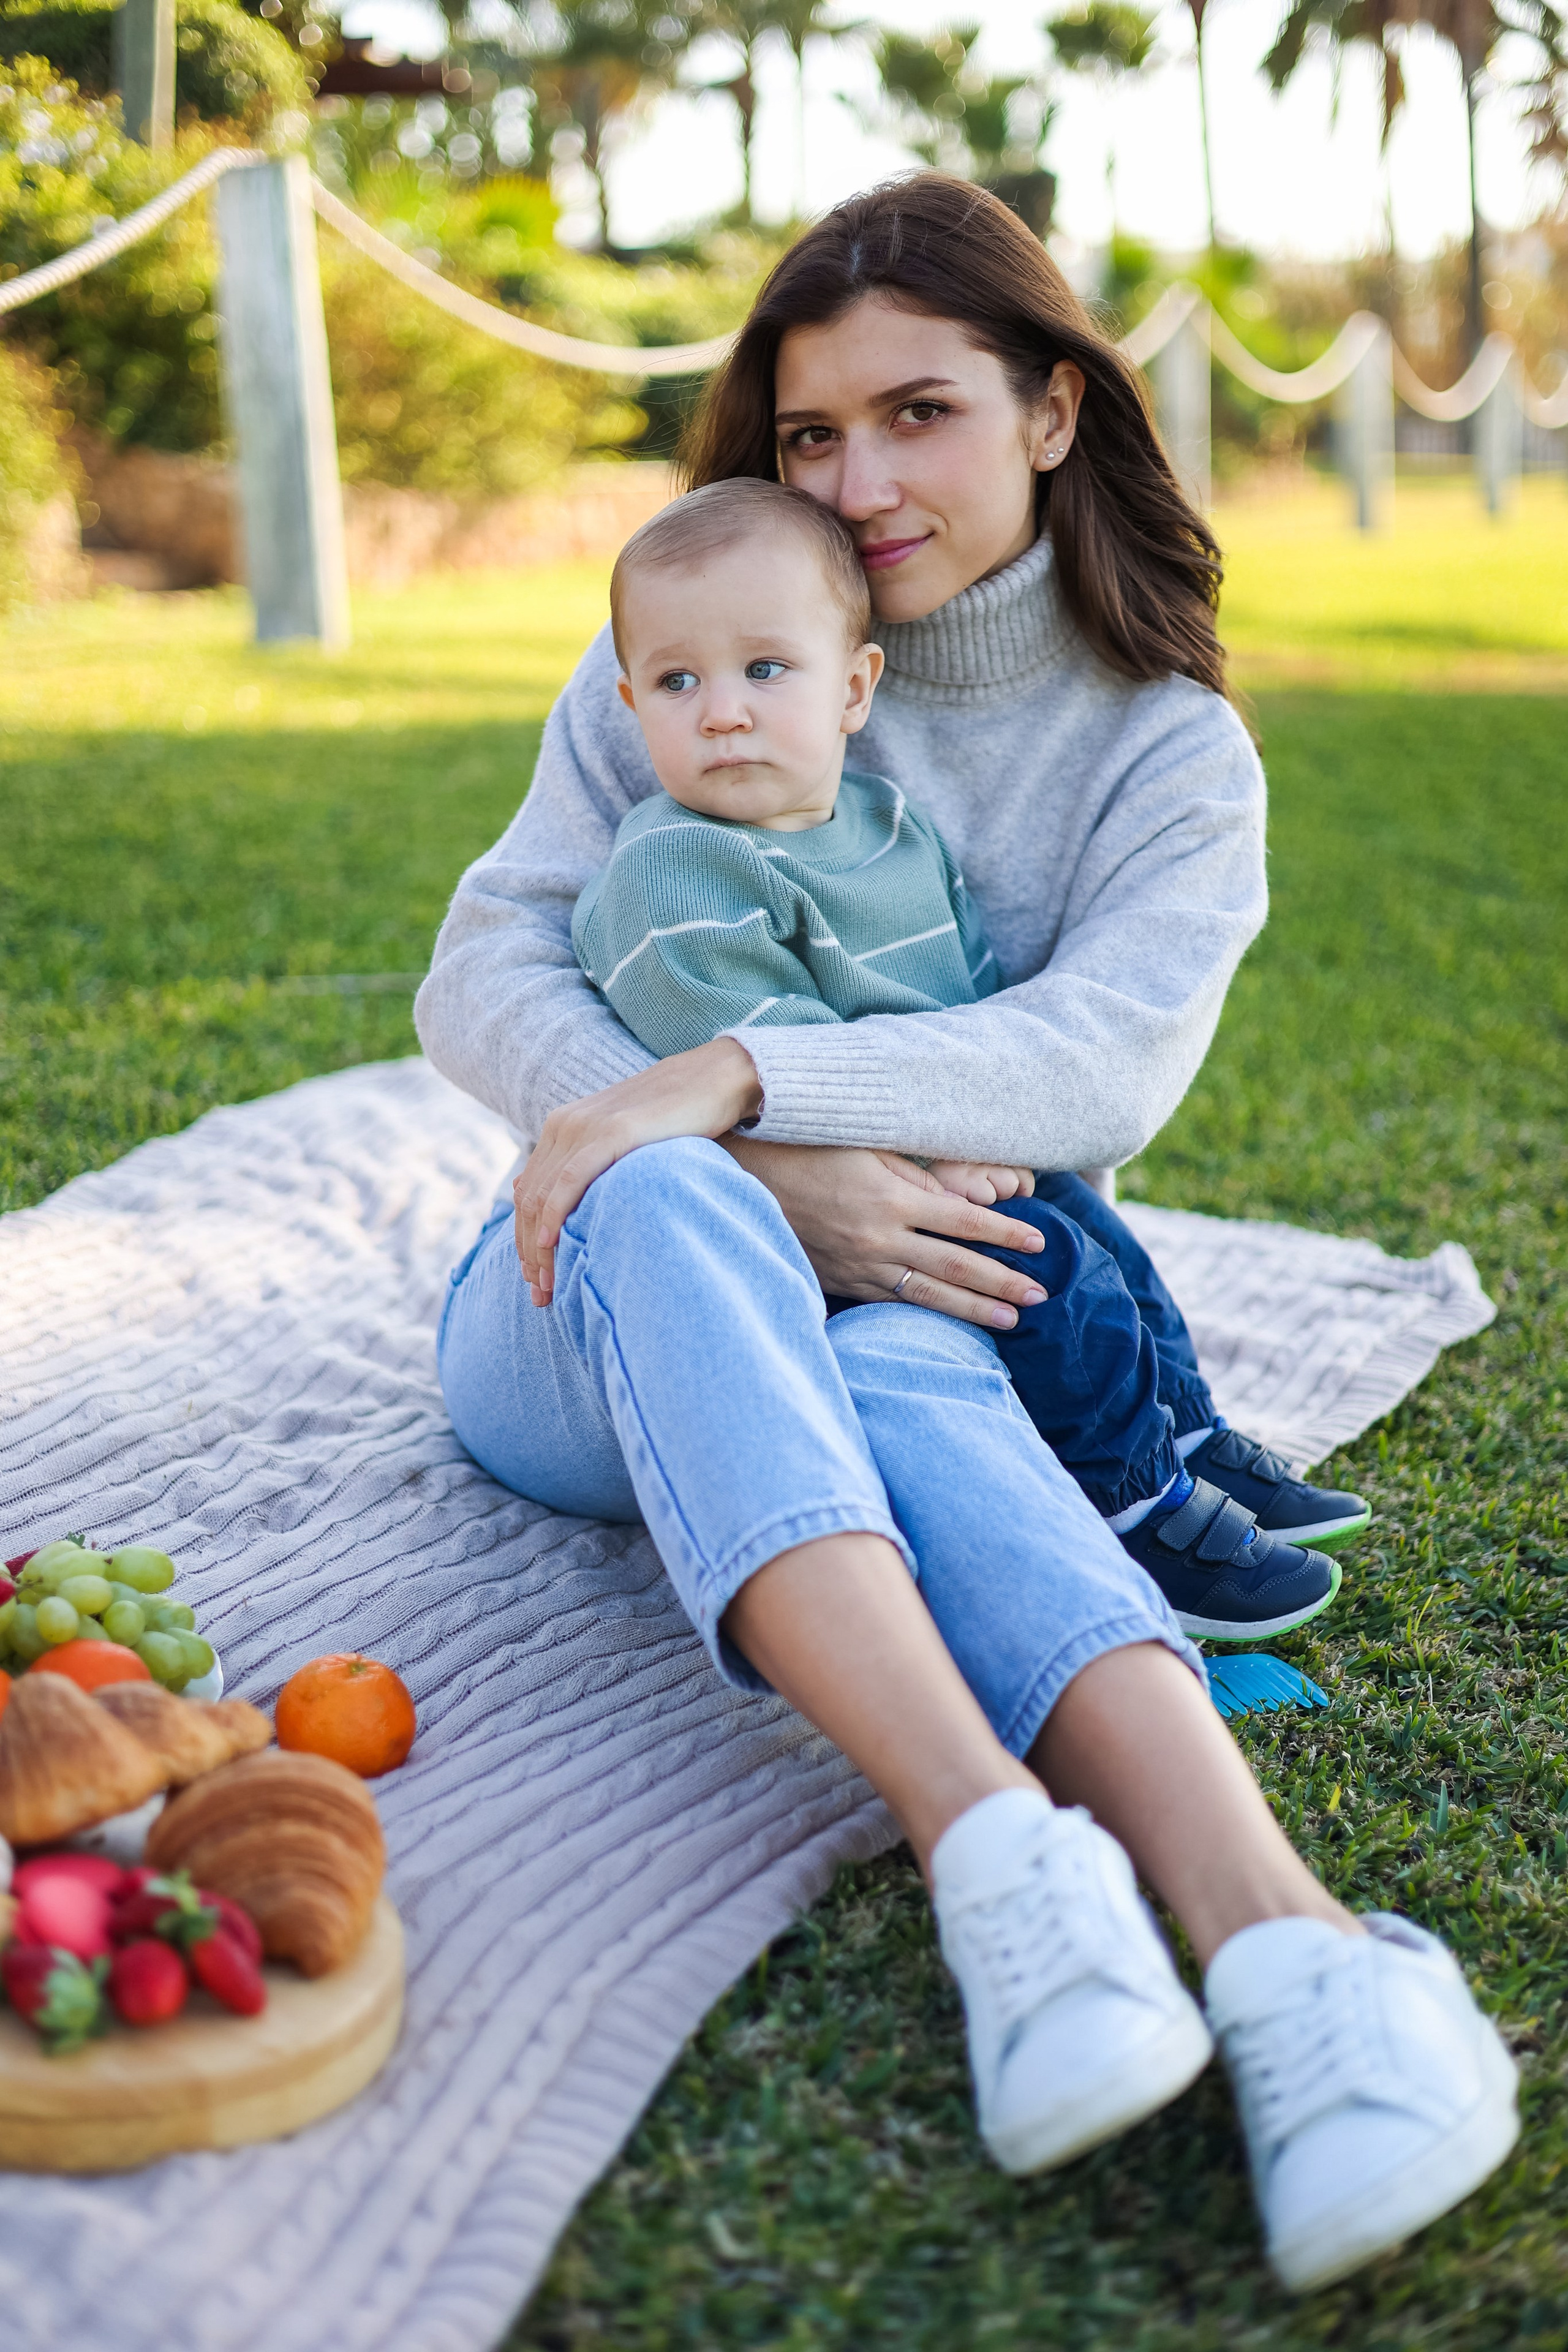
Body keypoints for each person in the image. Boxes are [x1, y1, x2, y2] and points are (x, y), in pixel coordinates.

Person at [417, 175, 1517, 2290]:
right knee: (661, 1195)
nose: (852, 482)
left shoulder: (1169, 754)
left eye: (914, 412)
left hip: (918, 1297)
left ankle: (1298, 1970)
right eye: (809, 433)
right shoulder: (701, 626)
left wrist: (736, 1081)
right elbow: (488, 959)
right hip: (574, 1313)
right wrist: (705, 1152)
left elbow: (1097, 1069)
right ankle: (986, 1840)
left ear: (1052, 409)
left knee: (920, 1349)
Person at [571, 470, 1366, 1644]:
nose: (723, 710)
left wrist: (984, 1126)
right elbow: (747, 1051)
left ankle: (1182, 1434)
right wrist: (932, 1155)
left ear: (854, 688)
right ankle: (1125, 1501)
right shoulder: (673, 870)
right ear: (631, 701)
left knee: (1103, 1240)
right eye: (679, 683)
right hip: (813, 1195)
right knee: (1038, 1271)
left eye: (764, 671)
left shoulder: (888, 829)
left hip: (957, 1138)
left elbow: (976, 995)